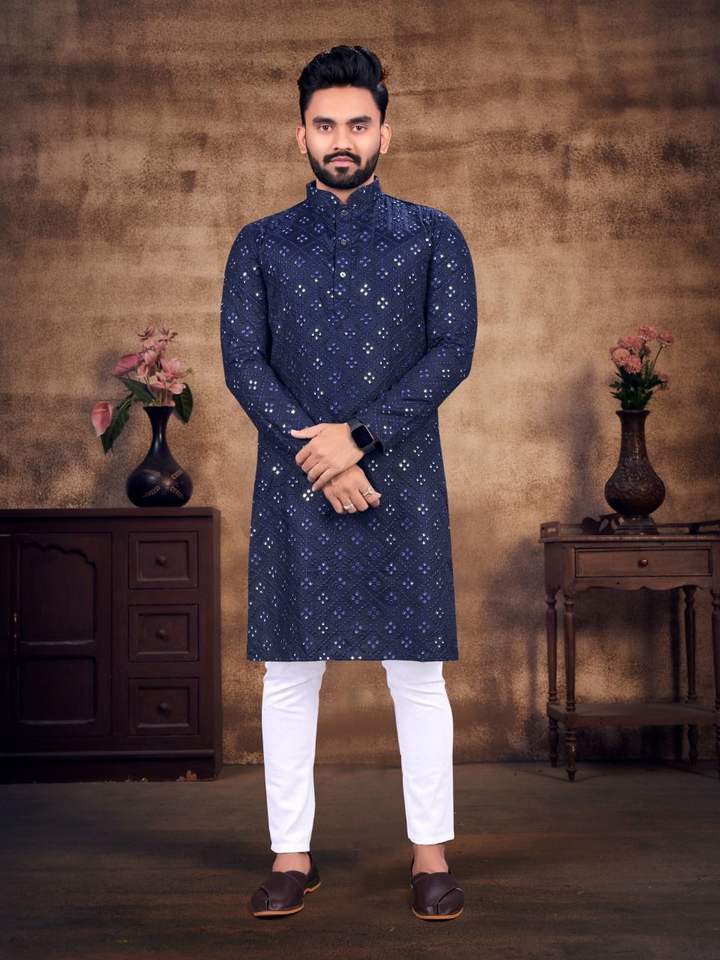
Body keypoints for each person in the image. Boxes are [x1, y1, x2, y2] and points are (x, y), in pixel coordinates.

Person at [219, 44, 477, 921]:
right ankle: (291, 856)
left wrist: (358, 440)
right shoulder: (259, 243)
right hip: (298, 485)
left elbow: (451, 352)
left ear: (384, 134)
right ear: (300, 134)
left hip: (402, 478)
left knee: (418, 675)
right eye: (325, 124)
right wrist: (321, 457)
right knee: (290, 676)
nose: (342, 139)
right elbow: (244, 365)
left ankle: (431, 856)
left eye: (358, 124)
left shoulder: (433, 235)